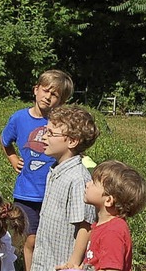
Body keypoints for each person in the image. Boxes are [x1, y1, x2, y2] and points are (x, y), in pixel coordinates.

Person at [0, 69, 74, 271]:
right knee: (30, 240)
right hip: (26, 192)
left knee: (49, 238)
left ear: (62, 101)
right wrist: (13, 158)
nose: (48, 97)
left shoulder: (61, 125)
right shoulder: (19, 118)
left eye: (55, 95)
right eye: (46, 91)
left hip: (53, 193)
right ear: (36, 90)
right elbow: (5, 140)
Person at [30, 105, 99, 271]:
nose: (43, 138)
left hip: (61, 264)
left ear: (72, 141)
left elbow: (85, 225)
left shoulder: (77, 178)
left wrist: (73, 263)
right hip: (45, 260)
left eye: (51, 134)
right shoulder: (55, 170)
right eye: (45, 131)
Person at [81, 160, 146, 271]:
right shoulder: (102, 225)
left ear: (108, 200)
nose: (87, 184)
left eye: (93, 183)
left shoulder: (112, 232)